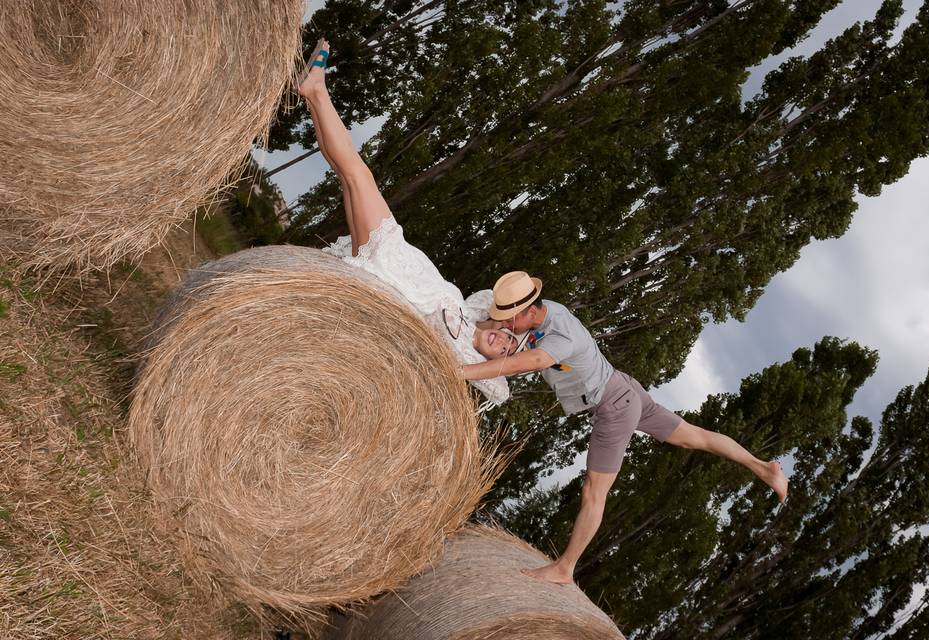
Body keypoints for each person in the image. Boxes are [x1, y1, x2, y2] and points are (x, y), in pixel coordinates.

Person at [462, 271, 789, 584]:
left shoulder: (560, 333)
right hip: (623, 388)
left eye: (510, 319)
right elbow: (506, 332)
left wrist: (461, 371)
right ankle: (762, 468)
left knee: (594, 492)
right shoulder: (547, 312)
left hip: (614, 406)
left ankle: (565, 568)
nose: (507, 325)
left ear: (530, 310)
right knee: (694, 436)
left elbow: (530, 362)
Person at [298, 40, 517, 405]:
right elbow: (499, 298)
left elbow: (502, 392)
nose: (504, 343)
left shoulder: (465, 355)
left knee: (357, 173)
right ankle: (312, 94)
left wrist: (525, 356)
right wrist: (514, 321)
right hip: (396, 250)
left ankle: (317, 90)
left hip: (386, 266)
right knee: (347, 173)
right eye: (508, 337)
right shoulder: (471, 310)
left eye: (507, 350)